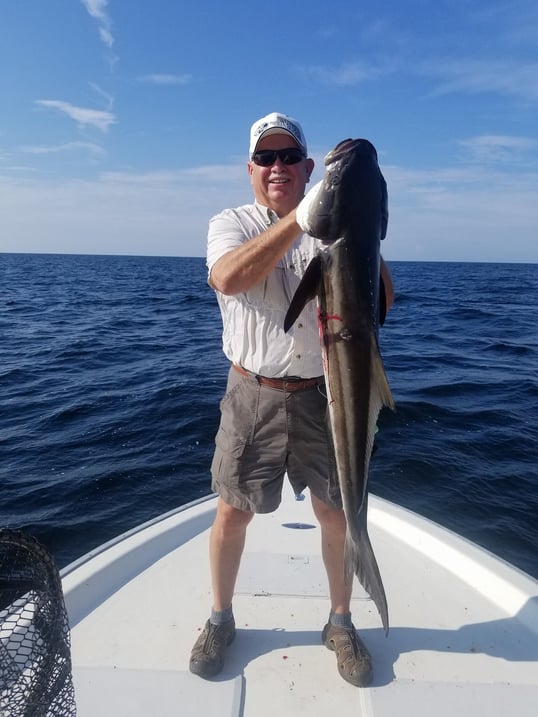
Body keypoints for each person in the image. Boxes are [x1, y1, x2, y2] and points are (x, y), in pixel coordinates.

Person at [189, 112, 394, 687]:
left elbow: (383, 300)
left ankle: (340, 622)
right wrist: (303, 222)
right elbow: (227, 278)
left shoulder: (332, 229)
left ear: (309, 169)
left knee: (336, 513)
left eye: (289, 158)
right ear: (251, 168)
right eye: (266, 158)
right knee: (232, 512)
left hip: (323, 393)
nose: (277, 167)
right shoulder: (231, 222)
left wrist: (362, 229)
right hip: (252, 393)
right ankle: (221, 619)